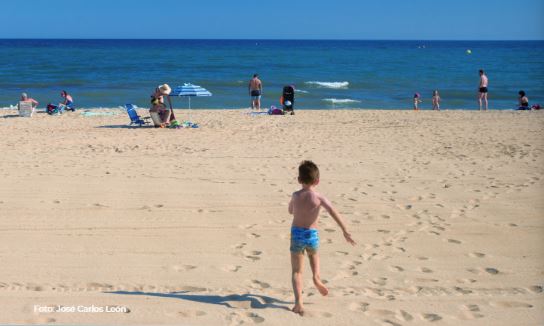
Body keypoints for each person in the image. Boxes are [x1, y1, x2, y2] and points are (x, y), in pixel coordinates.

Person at [288, 160, 356, 316]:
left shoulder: (296, 195)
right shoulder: (319, 197)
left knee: (297, 271)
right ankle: (317, 279)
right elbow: (333, 211)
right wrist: (344, 229)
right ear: (317, 181)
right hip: (312, 235)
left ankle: (298, 302)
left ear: (299, 180)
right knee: (313, 255)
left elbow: (290, 210)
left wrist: (295, 207)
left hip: (297, 234)